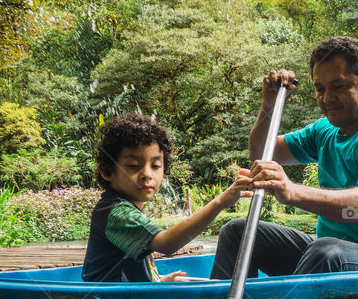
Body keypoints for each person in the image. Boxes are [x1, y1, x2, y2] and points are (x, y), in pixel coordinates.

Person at [210, 36, 358, 279]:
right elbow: (263, 152)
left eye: (339, 86)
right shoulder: (325, 130)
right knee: (238, 233)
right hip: (329, 257)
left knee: (326, 252)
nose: (327, 98)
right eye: (320, 89)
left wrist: (291, 191)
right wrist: (269, 105)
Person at [83, 113, 251, 282]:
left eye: (155, 165)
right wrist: (221, 201)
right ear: (106, 171)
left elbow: (130, 276)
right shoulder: (117, 212)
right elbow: (167, 244)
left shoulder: (125, 208)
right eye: (133, 166)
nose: (147, 174)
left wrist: (161, 282)